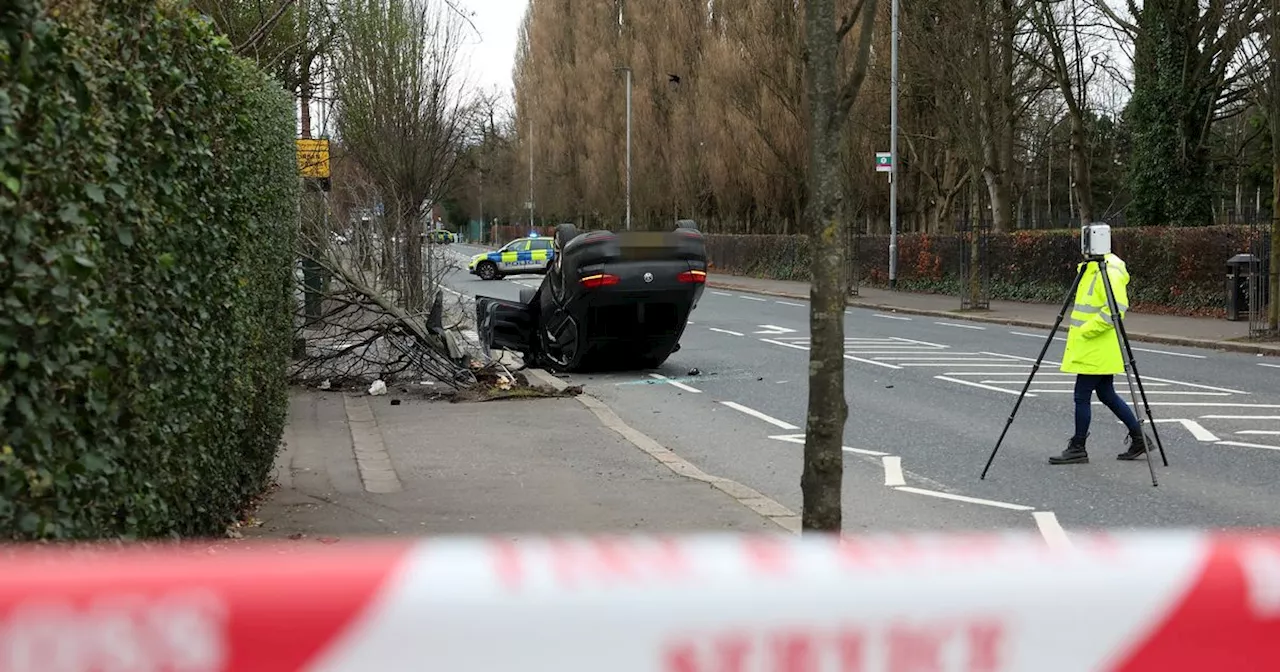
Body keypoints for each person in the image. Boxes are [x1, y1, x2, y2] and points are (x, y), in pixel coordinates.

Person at [1049, 250, 1148, 465]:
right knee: (1106, 393)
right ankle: (1140, 437)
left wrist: (1087, 330)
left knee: (1081, 395)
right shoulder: (1091, 268)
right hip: (1096, 345)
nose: (1083, 247)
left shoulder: (1109, 270)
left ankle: (1078, 447)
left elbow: (1116, 308)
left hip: (1097, 345)